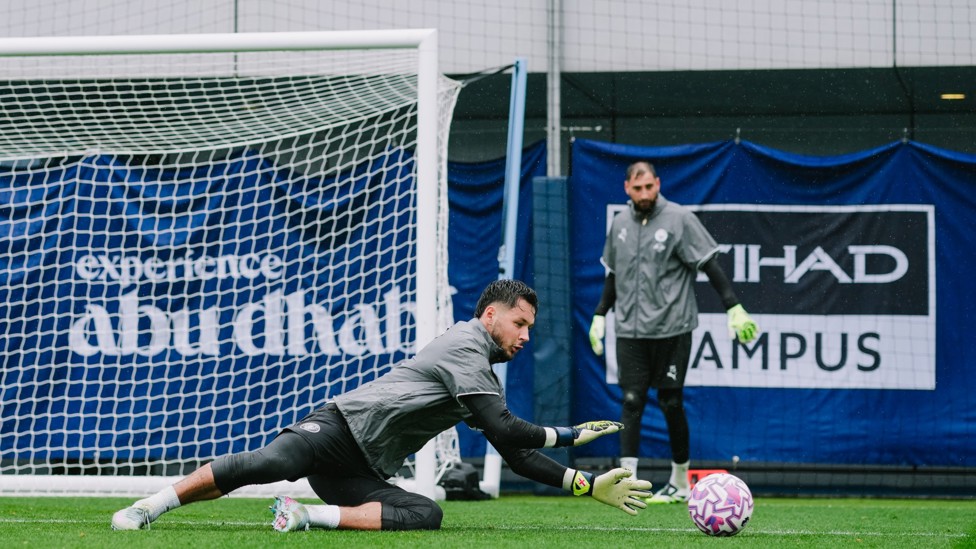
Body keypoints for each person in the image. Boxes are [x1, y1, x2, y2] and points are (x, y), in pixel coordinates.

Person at [112, 279, 653, 532]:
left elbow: (512, 451)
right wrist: (569, 434)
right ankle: (148, 507)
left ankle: (304, 516)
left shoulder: (482, 373)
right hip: (340, 426)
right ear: (490, 315)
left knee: (427, 513)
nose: (525, 336)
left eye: (531, 329)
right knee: (272, 464)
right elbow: (505, 427)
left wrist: (583, 485)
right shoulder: (466, 344)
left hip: (363, 466)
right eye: (520, 324)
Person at [588, 161, 758, 504]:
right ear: (627, 190)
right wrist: (600, 315)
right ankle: (628, 483)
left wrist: (733, 307)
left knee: (670, 402)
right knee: (632, 401)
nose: (645, 194)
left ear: (658, 184)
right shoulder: (619, 223)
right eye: (638, 189)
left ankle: (680, 483)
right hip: (630, 331)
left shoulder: (680, 218)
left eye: (650, 187)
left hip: (672, 328)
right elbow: (613, 275)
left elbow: (710, 264)